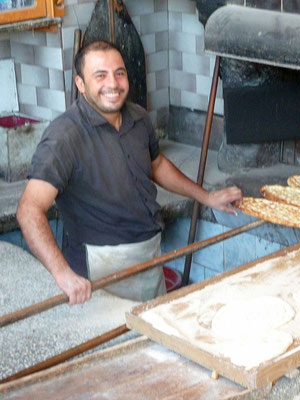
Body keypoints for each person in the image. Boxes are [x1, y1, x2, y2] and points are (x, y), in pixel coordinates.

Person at [16, 40, 242, 305]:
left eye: (119, 73)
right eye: (100, 75)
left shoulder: (138, 117)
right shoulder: (64, 136)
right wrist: (63, 274)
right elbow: (29, 210)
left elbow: (156, 164)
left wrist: (206, 197)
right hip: (100, 265)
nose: (113, 83)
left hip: (147, 253)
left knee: (154, 337)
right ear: (80, 84)